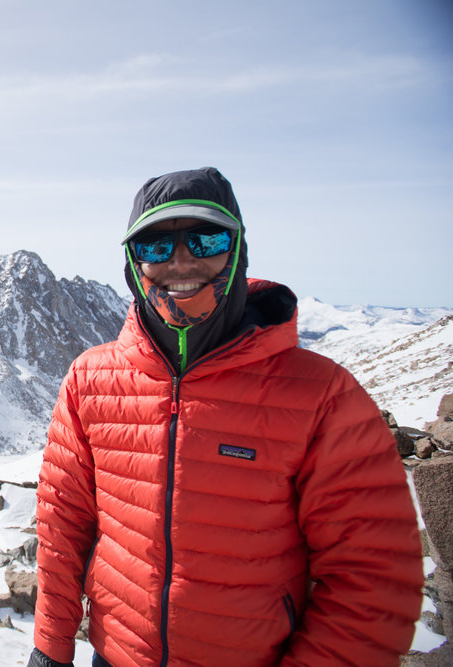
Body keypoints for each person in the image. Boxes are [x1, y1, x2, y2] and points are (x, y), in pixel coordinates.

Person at [27, 167, 423, 667]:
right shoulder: (90, 379)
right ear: (133, 263)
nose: (180, 261)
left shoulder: (322, 395)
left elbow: (375, 575)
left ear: (236, 251)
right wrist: (50, 646)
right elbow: (64, 523)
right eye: (155, 247)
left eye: (205, 239)